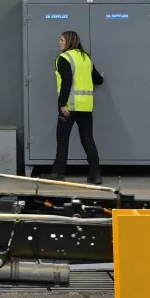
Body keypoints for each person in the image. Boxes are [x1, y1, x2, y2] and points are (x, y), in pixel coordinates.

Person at [48, 30, 104, 185]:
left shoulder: (64, 58)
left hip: (69, 107)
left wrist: (62, 105)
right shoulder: (86, 58)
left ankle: (58, 173)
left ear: (69, 42)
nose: (59, 42)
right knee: (88, 140)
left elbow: (67, 83)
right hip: (86, 107)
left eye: (62, 40)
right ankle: (96, 175)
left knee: (62, 140)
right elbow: (98, 80)